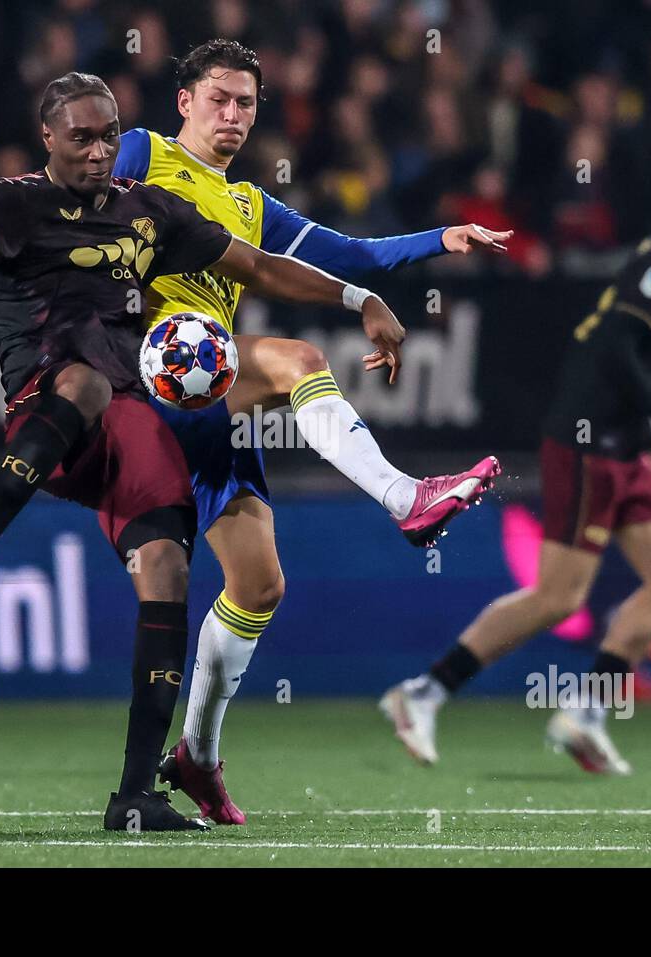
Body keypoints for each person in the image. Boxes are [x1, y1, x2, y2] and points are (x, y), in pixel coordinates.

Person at [0, 73, 416, 831]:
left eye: (107, 135)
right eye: (79, 137)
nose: (96, 150)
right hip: (44, 407)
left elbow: (261, 267)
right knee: (82, 381)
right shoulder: (13, 201)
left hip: (127, 417)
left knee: (171, 565)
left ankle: (134, 795)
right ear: (46, 137)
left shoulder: (148, 210)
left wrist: (361, 299)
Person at [111, 39, 510, 824]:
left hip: (204, 394)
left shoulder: (252, 206)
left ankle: (196, 754)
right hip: (138, 375)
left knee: (258, 584)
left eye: (247, 104)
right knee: (298, 357)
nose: (232, 115)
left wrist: (440, 238)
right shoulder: (141, 154)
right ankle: (405, 496)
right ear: (184, 101)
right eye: (218, 99)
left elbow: (354, 252)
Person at [381, 143, 651, 774]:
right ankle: (425, 691)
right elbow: (613, 346)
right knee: (558, 596)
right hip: (587, 442)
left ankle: (586, 710)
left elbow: (639, 359)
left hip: (625, 443)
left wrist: (649, 425)